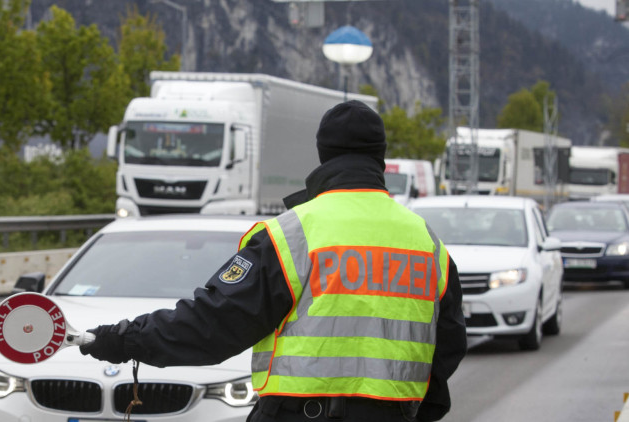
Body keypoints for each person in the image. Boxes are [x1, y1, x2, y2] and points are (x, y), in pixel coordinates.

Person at [80, 100, 467, 422]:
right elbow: (448, 345)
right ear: (380, 157)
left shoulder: (291, 235)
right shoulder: (427, 243)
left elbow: (209, 327)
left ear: (322, 155)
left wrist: (121, 338)